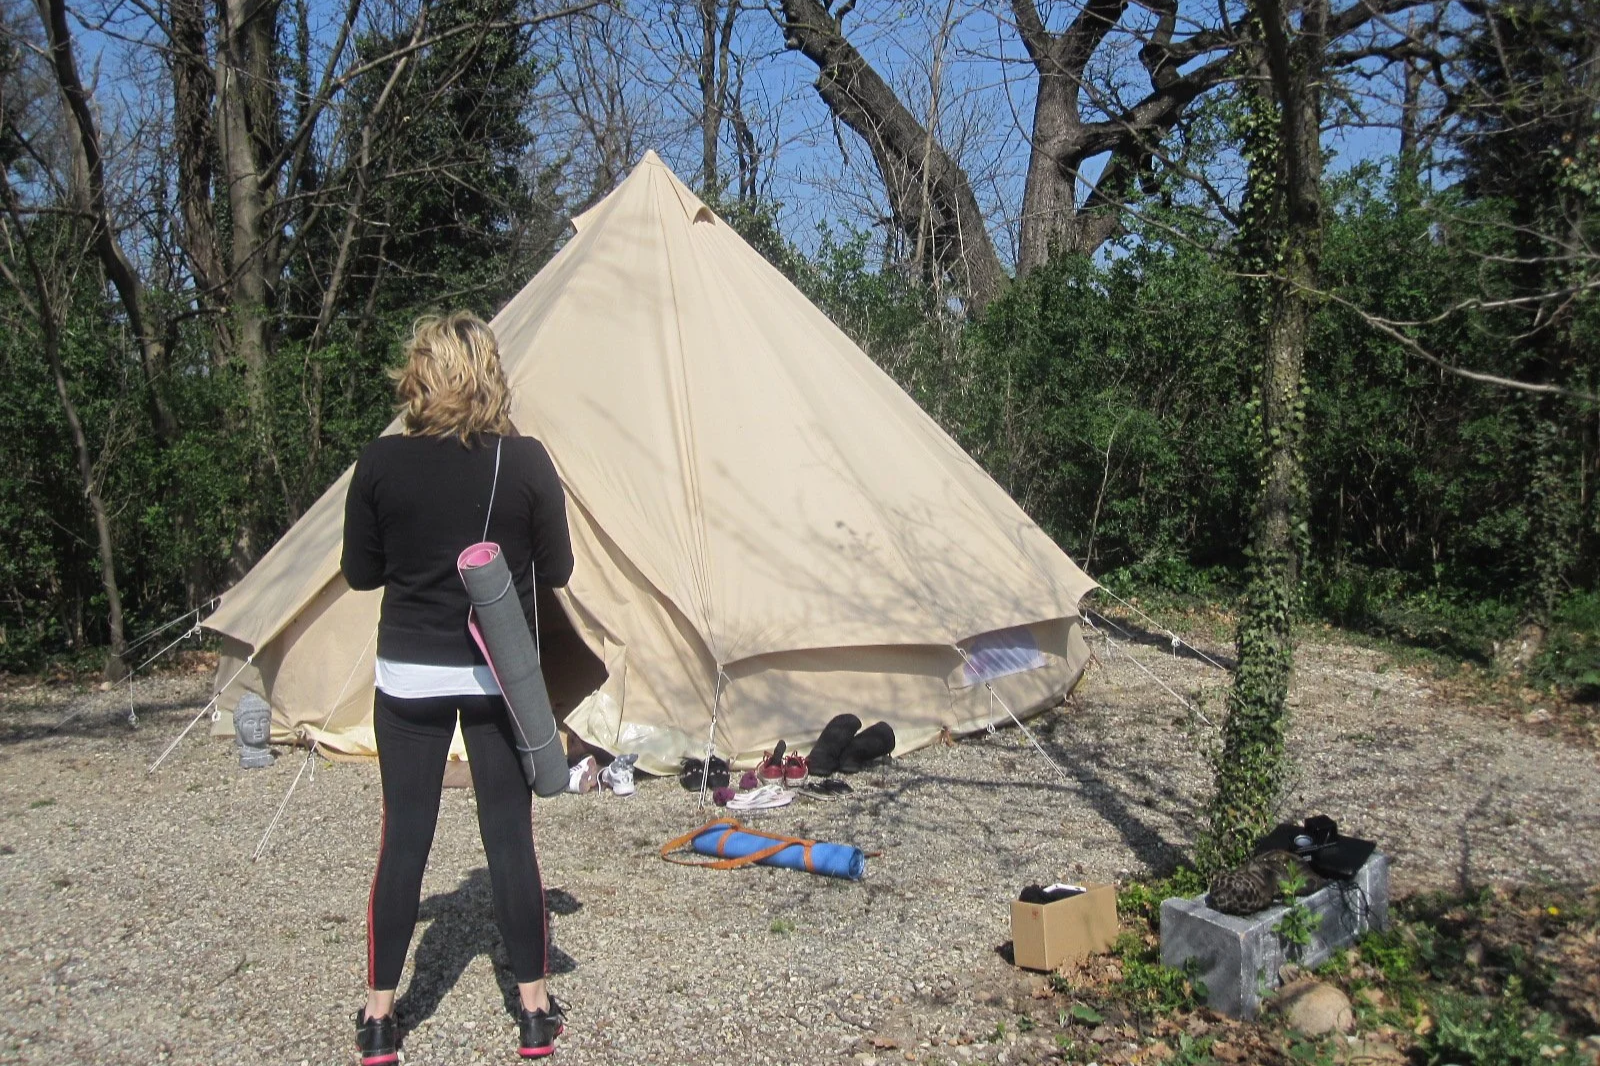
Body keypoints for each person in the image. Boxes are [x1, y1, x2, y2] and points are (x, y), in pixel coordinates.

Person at [340, 311, 574, 1063]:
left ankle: (381, 1019)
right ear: (490, 375)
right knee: (507, 834)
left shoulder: (379, 462)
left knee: (404, 833)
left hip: (408, 675)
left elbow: (361, 573)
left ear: (417, 374)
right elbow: (559, 570)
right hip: (494, 675)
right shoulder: (528, 459)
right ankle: (534, 1010)